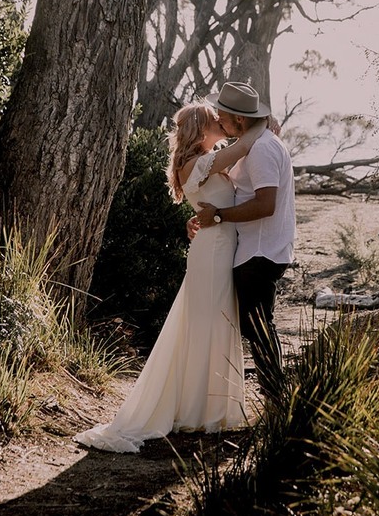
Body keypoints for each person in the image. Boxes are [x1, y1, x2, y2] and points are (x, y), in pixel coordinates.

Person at [74, 102, 264, 453]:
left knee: (215, 324)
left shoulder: (205, 162)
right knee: (209, 323)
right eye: (214, 121)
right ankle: (202, 408)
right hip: (213, 254)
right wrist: (258, 120)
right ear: (200, 129)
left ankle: (209, 407)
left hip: (219, 249)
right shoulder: (197, 163)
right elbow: (243, 146)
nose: (221, 124)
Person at [195, 81, 296, 401]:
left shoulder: (263, 149)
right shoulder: (260, 143)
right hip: (257, 249)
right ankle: (275, 395)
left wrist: (219, 216)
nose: (218, 122)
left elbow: (266, 204)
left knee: (259, 328)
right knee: (256, 327)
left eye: (222, 117)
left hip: (260, 251)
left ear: (239, 120)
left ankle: (277, 399)